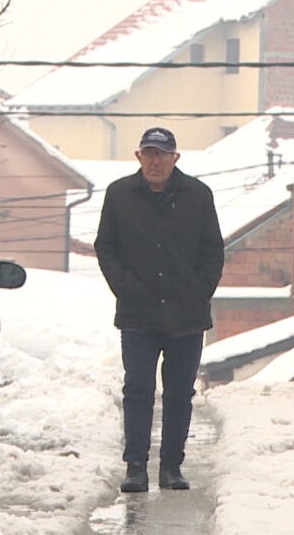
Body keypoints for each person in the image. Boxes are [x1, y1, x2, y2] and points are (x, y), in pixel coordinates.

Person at [94, 127, 225, 493]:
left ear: (175, 158)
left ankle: (172, 466)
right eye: (149, 154)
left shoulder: (198, 196)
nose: (155, 161)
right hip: (138, 315)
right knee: (137, 389)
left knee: (179, 392)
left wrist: (198, 291)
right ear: (138, 157)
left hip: (187, 315)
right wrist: (125, 288)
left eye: (162, 154)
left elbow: (213, 250)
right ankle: (135, 466)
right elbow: (106, 248)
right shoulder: (119, 195)